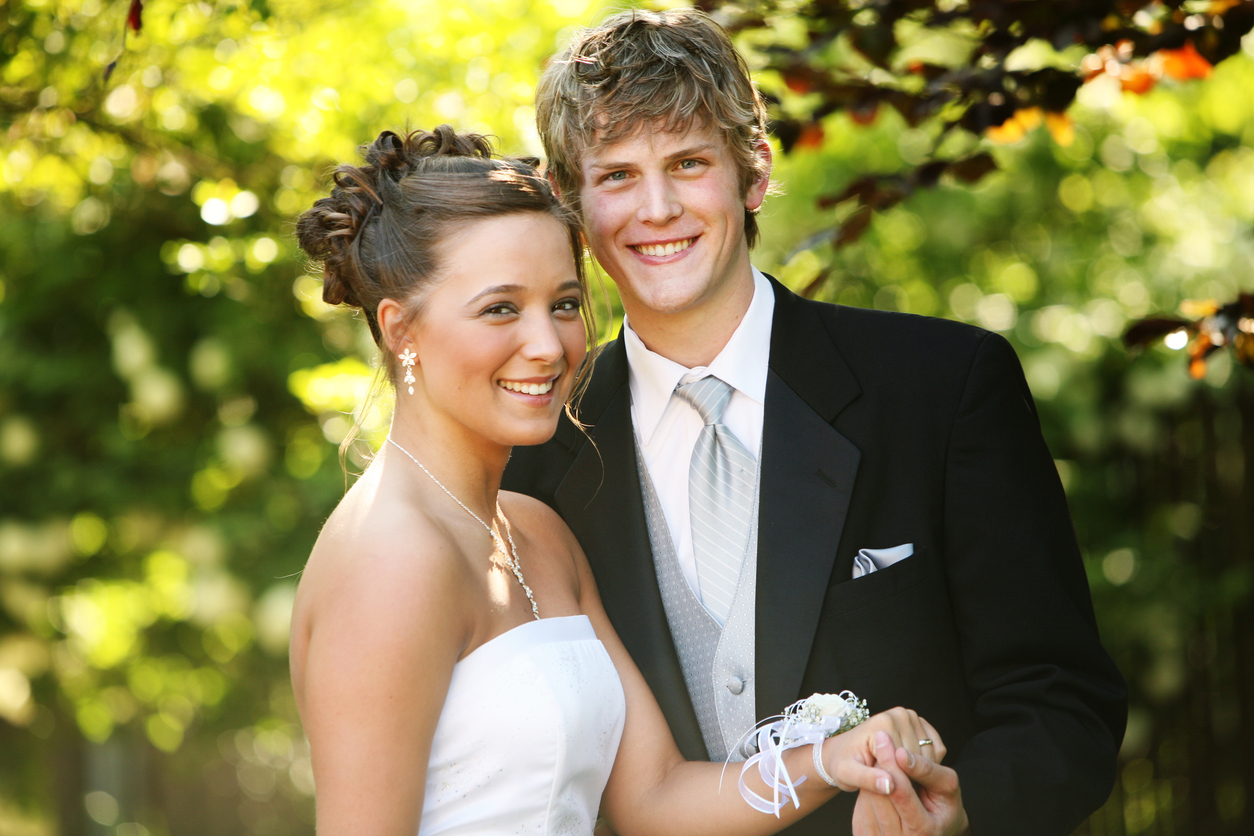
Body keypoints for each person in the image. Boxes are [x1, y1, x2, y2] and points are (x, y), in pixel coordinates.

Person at [502, 9, 1128, 836]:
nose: (655, 209)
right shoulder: (537, 453)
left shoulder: (942, 389)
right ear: (569, 199)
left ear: (753, 172)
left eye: (688, 163)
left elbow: (1061, 700)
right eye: (616, 175)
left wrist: (963, 810)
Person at [288, 125, 946, 836]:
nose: (548, 346)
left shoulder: (537, 532)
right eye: (501, 308)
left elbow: (654, 797)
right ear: (400, 330)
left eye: (565, 304)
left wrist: (835, 760)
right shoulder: (391, 560)